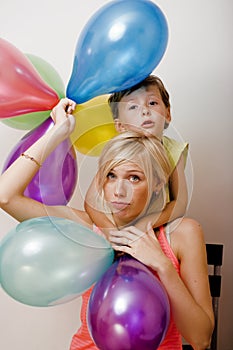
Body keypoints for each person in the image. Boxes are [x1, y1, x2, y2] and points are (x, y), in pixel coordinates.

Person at [0, 99, 214, 349]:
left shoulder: (181, 234)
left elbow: (201, 339)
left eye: (134, 178)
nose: (119, 191)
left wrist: (163, 266)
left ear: (157, 184)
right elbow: (6, 196)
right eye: (111, 175)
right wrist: (58, 132)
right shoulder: (87, 228)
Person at [85, 75, 189, 235]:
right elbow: (90, 200)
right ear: (120, 125)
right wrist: (111, 231)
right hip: (115, 223)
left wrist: (146, 224)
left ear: (167, 114)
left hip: (152, 227)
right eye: (133, 107)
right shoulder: (117, 151)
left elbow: (179, 203)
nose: (145, 111)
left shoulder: (173, 151)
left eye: (152, 103)